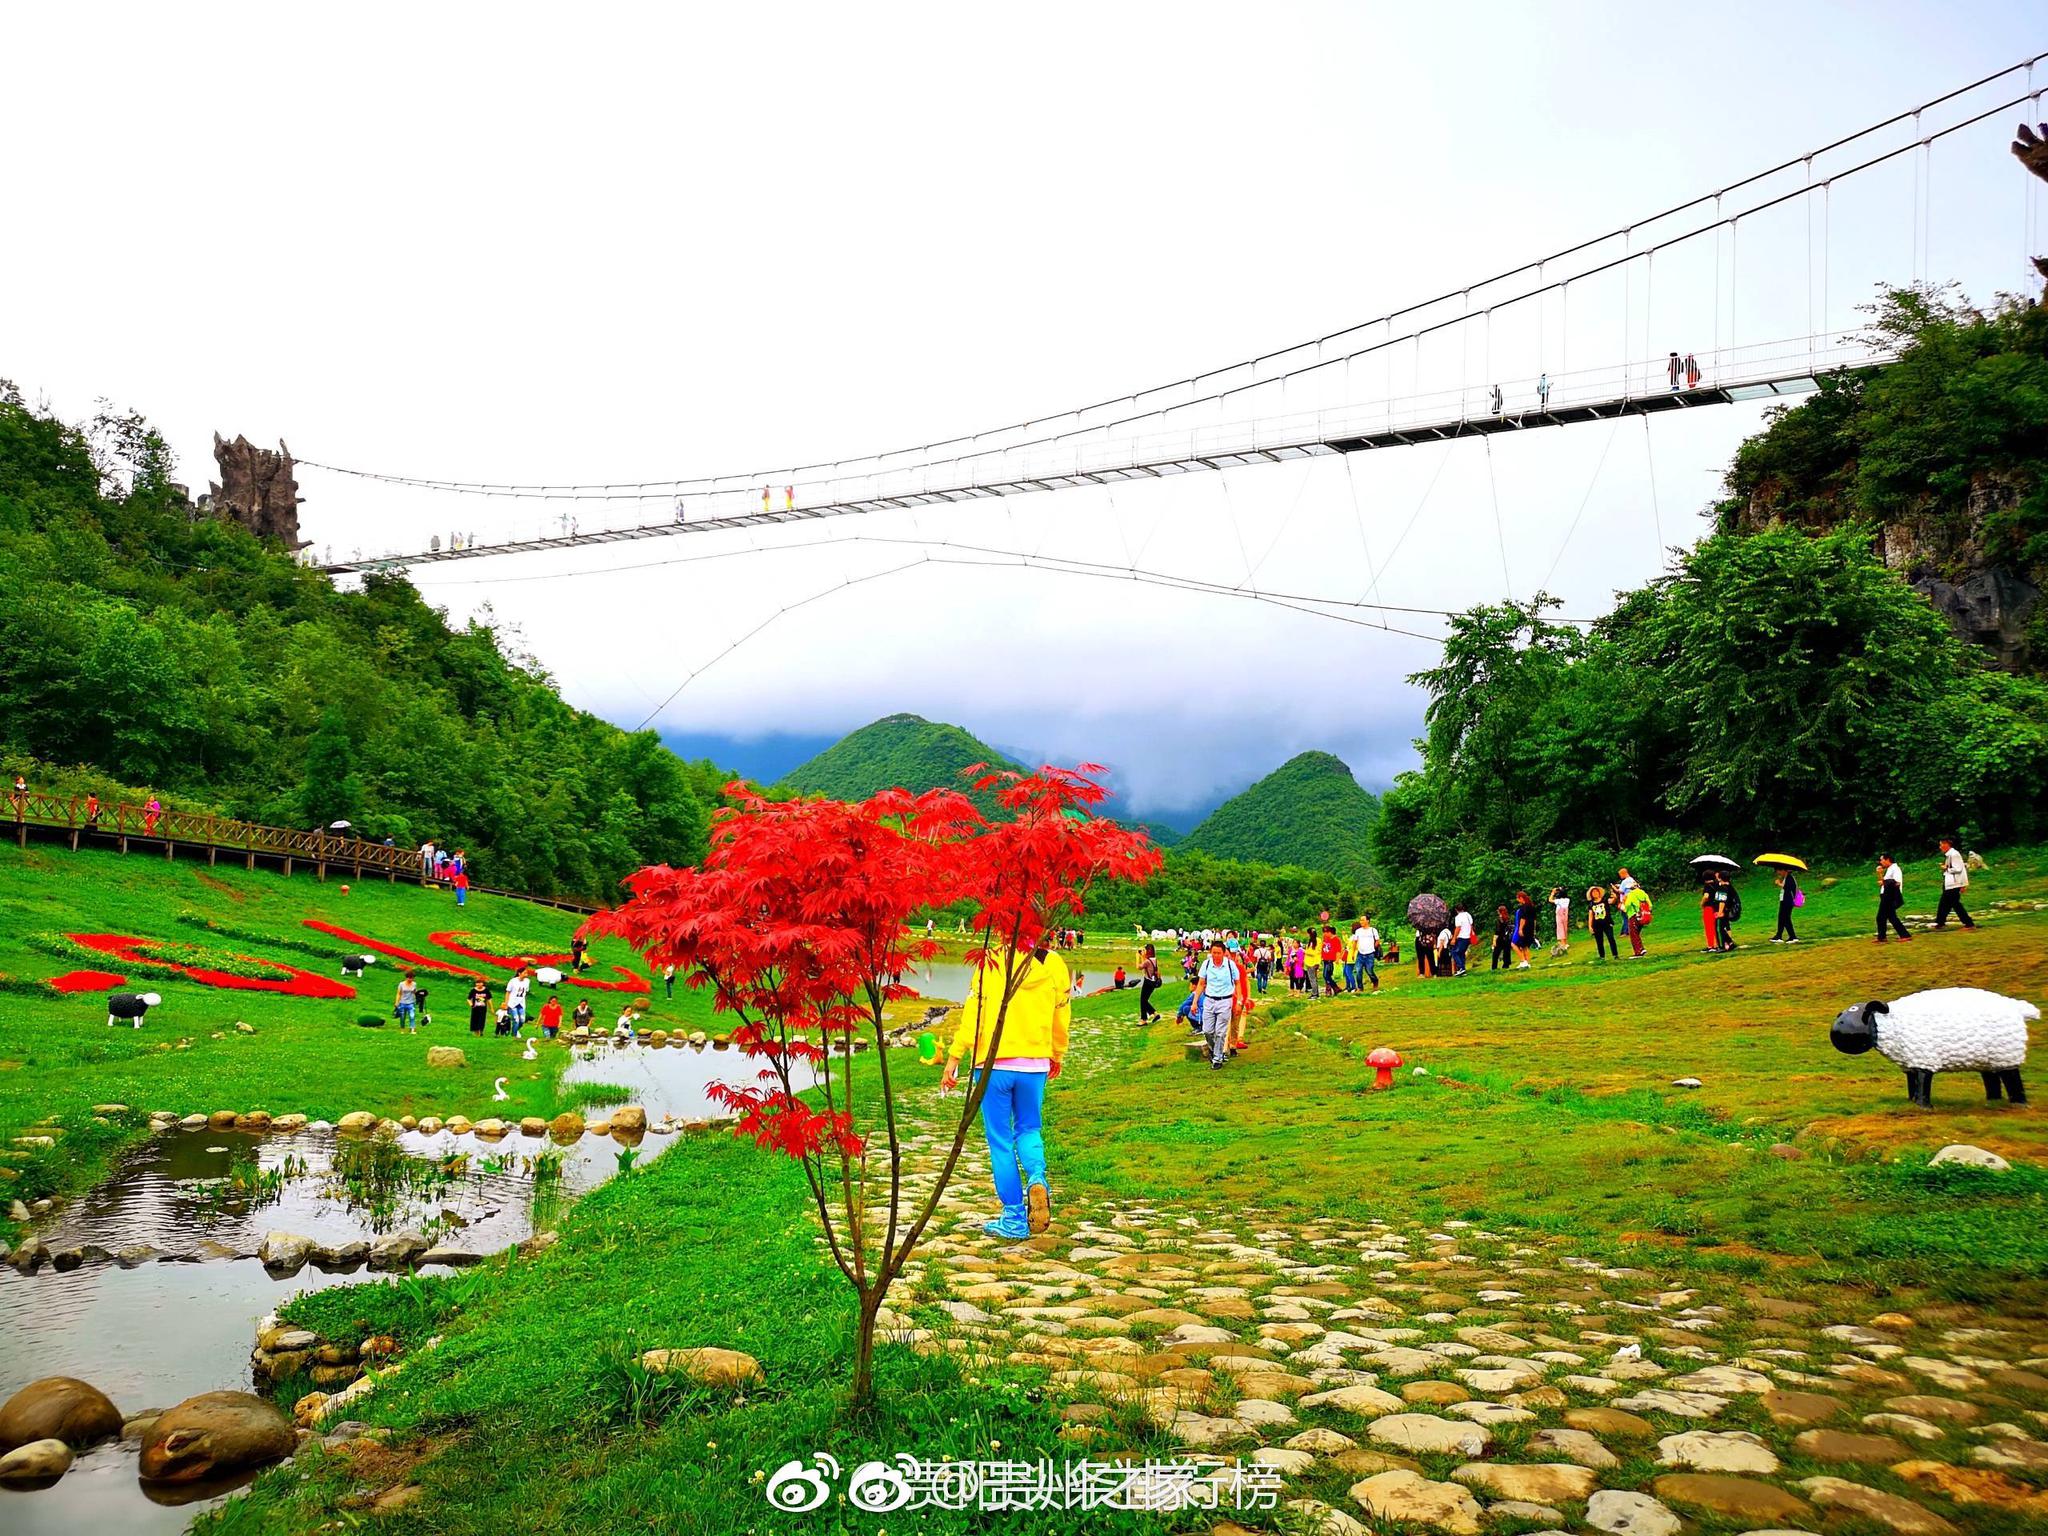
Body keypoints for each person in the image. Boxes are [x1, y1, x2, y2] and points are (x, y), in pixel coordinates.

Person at [941, 939, 1071, 1238]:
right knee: (1028, 1129)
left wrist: (955, 1056)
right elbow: (1061, 1015)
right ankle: (1037, 1176)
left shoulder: (991, 959)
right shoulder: (1054, 963)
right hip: (1035, 1063)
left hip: (993, 1063)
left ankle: (1013, 1217)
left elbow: (974, 1014)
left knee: (1000, 1140)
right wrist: (1056, 1053)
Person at [1191, 938, 1241, 1069]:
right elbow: (1201, 983)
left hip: (1225, 1001)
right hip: (1209, 1000)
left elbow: (1237, 983)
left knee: (1220, 1032)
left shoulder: (1230, 965)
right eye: (1214, 952)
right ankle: (1214, 1050)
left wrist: (1239, 1001)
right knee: (1207, 1031)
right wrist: (1195, 1002)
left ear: (1224, 953)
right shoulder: (1206, 965)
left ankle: (1217, 1059)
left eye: (1218, 953)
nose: (1216, 955)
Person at [1935, 837, 1976, 930]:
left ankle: (1969, 923)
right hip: (1949, 883)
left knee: (1955, 904)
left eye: (1941, 845)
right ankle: (1940, 922)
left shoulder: (1954, 854)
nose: (1940, 847)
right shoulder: (1949, 855)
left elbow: (1958, 869)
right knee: (1945, 903)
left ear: (1946, 844)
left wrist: (1946, 868)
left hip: (1954, 884)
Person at [1875, 854, 1911, 943]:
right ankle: (1883, 937)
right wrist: (1880, 874)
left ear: (1887, 860)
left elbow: (1896, 882)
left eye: (1882, 860)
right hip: (1886, 895)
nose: (1880, 862)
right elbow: (1885, 883)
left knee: (1882, 917)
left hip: (1890, 896)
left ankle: (1884, 937)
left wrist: (1884, 882)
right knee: (1888, 917)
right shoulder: (1889, 869)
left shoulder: (1895, 869)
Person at [1620, 882, 1652, 957]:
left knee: (1633, 934)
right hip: (1643, 915)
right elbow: (1650, 905)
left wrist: (1624, 908)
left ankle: (1638, 951)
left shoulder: (1631, 894)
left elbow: (1627, 905)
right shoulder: (1643, 893)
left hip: (1633, 915)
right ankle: (1641, 949)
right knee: (1637, 933)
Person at [1587, 885, 1618, 959]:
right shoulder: (1591, 904)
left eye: (1596, 892)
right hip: (1597, 925)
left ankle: (1615, 955)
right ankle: (1602, 956)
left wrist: (1615, 897)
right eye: (1593, 892)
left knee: (1611, 938)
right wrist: (1590, 926)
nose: (1595, 893)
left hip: (1607, 923)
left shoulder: (1605, 900)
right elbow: (1591, 915)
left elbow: (1612, 901)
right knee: (1599, 941)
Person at [1772, 869, 1801, 943]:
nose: (1778, 873)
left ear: (1784, 871)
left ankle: (1793, 937)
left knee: (1786, 918)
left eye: (1779, 871)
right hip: (1784, 900)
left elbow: (1788, 888)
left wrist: (1779, 883)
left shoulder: (1790, 878)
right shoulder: (1786, 878)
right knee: (1781, 918)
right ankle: (1778, 936)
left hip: (1788, 901)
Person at [1354, 916, 1381, 993]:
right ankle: (1360, 988)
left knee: (1369, 971)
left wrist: (1373, 947)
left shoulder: (1373, 930)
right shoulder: (1358, 931)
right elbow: (1355, 942)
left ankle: (1375, 982)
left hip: (1370, 954)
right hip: (1360, 954)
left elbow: (1377, 940)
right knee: (1358, 971)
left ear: (1368, 921)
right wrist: (1353, 952)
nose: (1361, 922)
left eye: (1363, 920)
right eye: (1360, 920)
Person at [1138, 944, 1163, 1022]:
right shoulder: (1153, 959)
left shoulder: (1148, 961)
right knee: (1144, 1000)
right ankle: (1154, 1014)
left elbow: (1139, 967)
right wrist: (1143, 957)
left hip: (1148, 981)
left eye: (1144, 950)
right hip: (1152, 981)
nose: (1143, 951)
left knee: (1143, 1000)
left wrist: (1137, 957)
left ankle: (1144, 1019)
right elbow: (1145, 966)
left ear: (1148, 951)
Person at [1511, 891, 1537, 969]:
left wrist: (1520, 929)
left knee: (1514, 944)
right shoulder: (1531, 906)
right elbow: (1535, 919)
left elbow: (1523, 919)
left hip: (1525, 928)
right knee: (1526, 946)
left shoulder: (1524, 907)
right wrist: (1534, 929)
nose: (1518, 901)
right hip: (1531, 928)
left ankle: (1523, 961)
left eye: (1518, 899)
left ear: (1521, 898)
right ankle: (1527, 963)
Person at [1451, 903, 1475, 975]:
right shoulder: (1468, 915)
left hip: (1462, 937)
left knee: (1454, 952)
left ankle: (1461, 967)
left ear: (1456, 910)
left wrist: (1454, 938)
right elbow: (1471, 924)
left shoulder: (1458, 917)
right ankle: (1463, 969)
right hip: (1468, 937)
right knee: (1461, 953)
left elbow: (1458, 928)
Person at [505, 968, 531, 1032]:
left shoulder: (527, 981)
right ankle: (514, 1035)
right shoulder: (513, 981)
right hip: (512, 1003)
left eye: (526, 973)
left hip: (521, 1003)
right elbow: (508, 992)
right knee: (516, 1019)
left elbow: (526, 991)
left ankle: (515, 1030)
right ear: (519, 973)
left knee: (522, 1020)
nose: (526, 974)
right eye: (524, 973)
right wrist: (506, 1003)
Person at [1549, 886, 1571, 956]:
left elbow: (1550, 900)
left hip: (1559, 915)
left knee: (1560, 929)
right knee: (1565, 928)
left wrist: (1553, 893)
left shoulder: (1558, 901)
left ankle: (1563, 945)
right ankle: (1565, 943)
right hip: (1565, 914)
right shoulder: (1567, 900)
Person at [1490, 905, 1513, 970]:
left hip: (1500, 938)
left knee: (1496, 953)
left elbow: (1497, 931)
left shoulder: (1499, 920)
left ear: (1499, 911)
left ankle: (1494, 967)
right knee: (1507, 952)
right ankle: (1506, 965)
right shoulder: (1509, 919)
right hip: (1507, 938)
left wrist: (1494, 940)